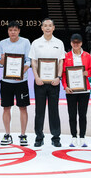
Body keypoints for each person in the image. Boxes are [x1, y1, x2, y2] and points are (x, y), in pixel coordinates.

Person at [29, 18, 65, 147]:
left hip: (54, 82)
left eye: (50, 25)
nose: (48, 28)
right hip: (40, 82)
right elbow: (33, 62)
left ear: (54, 28)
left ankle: (56, 137)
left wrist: (59, 77)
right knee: (39, 110)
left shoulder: (59, 43)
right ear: (42, 28)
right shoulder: (36, 43)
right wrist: (36, 77)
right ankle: (39, 137)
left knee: (54, 110)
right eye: (45, 25)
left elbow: (61, 61)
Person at [0, 21, 31, 146]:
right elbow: (0, 63)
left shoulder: (25, 42)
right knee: (6, 108)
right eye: (10, 30)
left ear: (19, 31)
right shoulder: (2, 43)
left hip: (21, 81)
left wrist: (21, 73)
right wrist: (2, 58)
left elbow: (29, 60)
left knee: (23, 107)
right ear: (8, 31)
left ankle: (23, 135)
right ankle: (7, 134)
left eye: (15, 30)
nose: (13, 32)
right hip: (6, 81)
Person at [62, 34, 91, 148]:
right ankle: (73, 137)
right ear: (70, 43)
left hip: (84, 90)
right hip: (71, 90)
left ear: (81, 43)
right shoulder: (66, 56)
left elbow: (90, 69)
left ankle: (83, 137)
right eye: (73, 42)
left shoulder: (87, 56)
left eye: (78, 42)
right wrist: (65, 86)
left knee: (83, 115)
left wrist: (87, 73)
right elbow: (64, 73)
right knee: (72, 114)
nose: (76, 44)